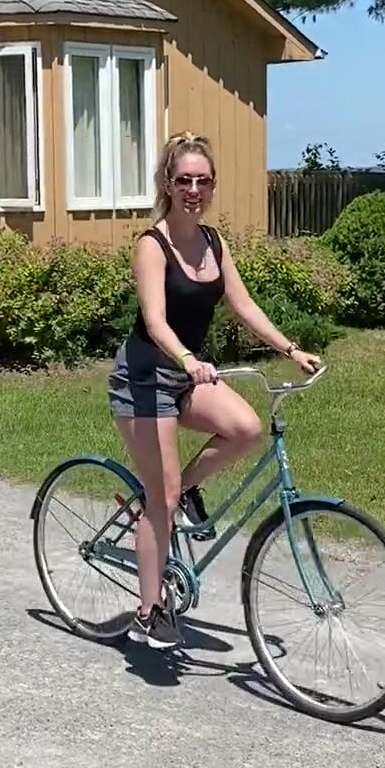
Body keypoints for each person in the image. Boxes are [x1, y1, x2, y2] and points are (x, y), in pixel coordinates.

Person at [108, 131, 322, 648]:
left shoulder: (214, 242)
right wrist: (188, 358)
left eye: (203, 181)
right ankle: (150, 611)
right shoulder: (152, 245)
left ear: (213, 186)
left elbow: (243, 306)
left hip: (186, 376)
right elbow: (155, 322)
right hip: (144, 380)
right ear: (167, 183)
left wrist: (291, 349)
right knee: (161, 499)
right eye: (184, 180)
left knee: (245, 428)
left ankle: (182, 493)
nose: (194, 190)